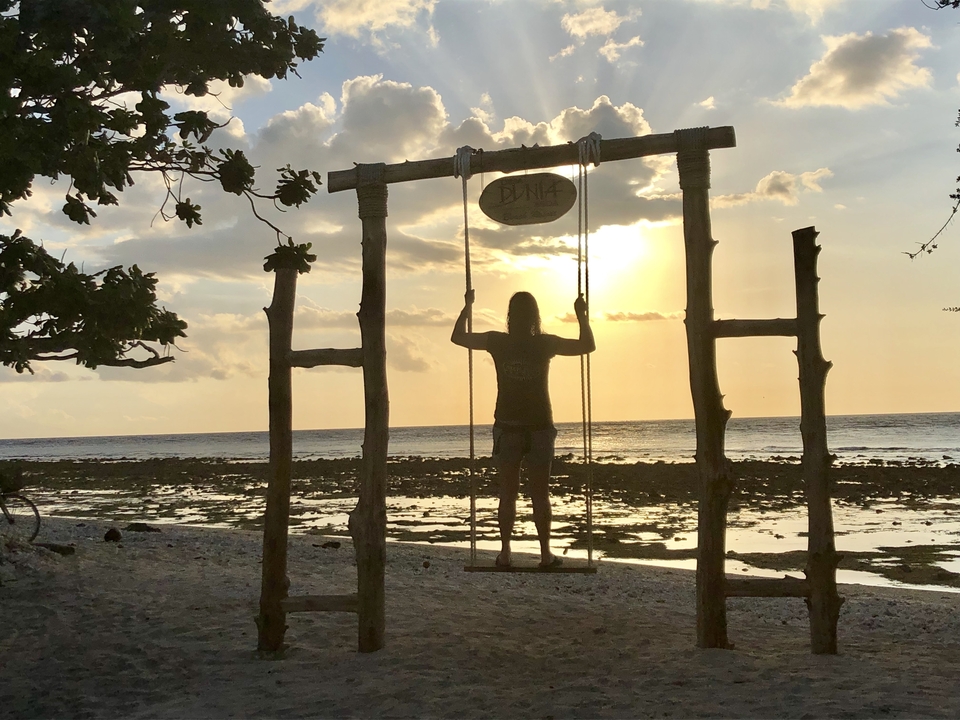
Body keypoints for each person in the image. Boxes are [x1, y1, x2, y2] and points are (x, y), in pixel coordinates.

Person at [451, 290, 595, 568]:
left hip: (508, 427)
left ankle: (505, 553)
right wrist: (581, 316)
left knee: (508, 493)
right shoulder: (544, 343)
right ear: (535, 317)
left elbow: (458, 337)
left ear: (510, 316)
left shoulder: (498, 341)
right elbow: (587, 345)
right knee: (540, 494)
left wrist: (467, 308)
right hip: (540, 427)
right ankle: (544, 554)